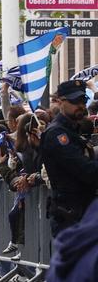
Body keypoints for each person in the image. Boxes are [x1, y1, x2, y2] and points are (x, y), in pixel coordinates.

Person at [39, 80, 98, 236]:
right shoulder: (57, 134)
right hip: (70, 216)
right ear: (60, 102)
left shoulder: (73, 130)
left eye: (83, 100)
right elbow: (85, 170)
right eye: (74, 101)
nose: (80, 105)